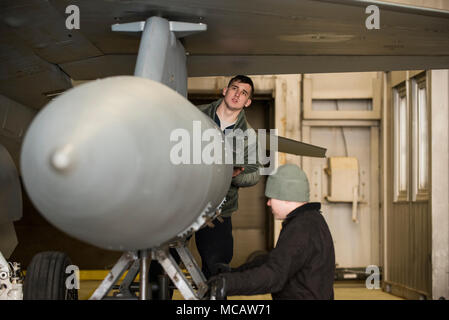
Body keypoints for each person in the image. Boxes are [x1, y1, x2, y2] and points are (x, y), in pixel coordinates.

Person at [208, 164, 336, 300]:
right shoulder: (311, 220)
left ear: (286, 197)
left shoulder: (301, 228)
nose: (268, 203)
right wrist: (233, 273)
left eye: (271, 198)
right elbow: (276, 260)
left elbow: (273, 275)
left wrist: (227, 284)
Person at [195, 75, 261, 278]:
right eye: (234, 88)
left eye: (243, 93)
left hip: (219, 211)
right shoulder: (195, 116)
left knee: (217, 268)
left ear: (247, 102)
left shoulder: (248, 135)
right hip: (184, 203)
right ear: (225, 90)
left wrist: (234, 176)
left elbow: (255, 173)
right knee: (162, 263)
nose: (237, 94)